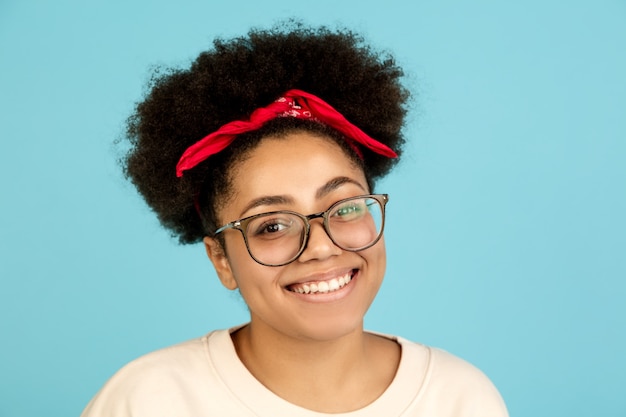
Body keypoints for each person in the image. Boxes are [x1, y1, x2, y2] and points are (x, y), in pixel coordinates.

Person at [81, 23, 508, 416]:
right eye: (272, 225)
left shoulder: (459, 397)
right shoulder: (147, 400)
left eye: (344, 208)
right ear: (221, 259)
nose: (322, 246)